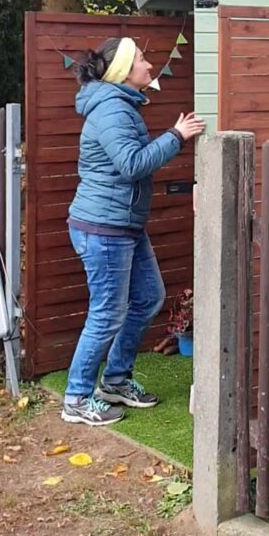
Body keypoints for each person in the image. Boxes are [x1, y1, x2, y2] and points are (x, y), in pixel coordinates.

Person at [62, 36, 205, 426]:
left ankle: (116, 380)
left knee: (148, 297)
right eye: (142, 59)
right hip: (103, 227)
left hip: (123, 225)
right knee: (106, 313)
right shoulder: (112, 110)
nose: (148, 64)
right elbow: (131, 163)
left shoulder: (122, 106)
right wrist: (177, 136)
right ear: (124, 72)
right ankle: (76, 397)